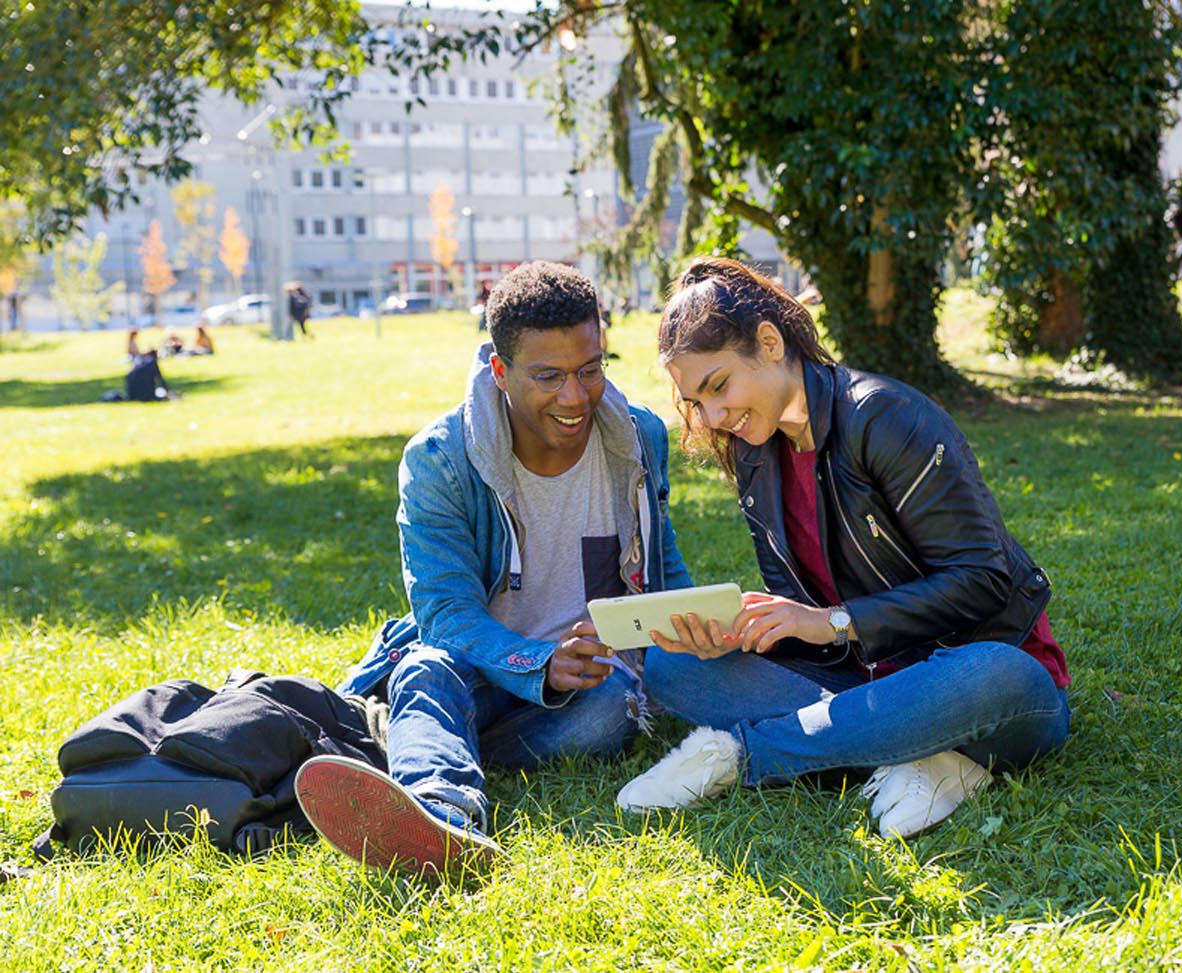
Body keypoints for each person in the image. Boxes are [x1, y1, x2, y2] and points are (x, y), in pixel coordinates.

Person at [615, 258, 1071, 839]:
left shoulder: (885, 416)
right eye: (697, 402)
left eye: (719, 386)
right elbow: (812, 624)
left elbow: (982, 579)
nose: (713, 416)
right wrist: (753, 634)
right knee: (674, 666)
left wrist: (831, 622)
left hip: (978, 679)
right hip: (870, 685)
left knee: (997, 674)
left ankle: (741, 757)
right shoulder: (757, 454)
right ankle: (916, 755)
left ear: (770, 342)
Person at [295, 261, 694, 876]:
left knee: (613, 710)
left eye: (591, 371)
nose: (575, 397)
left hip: (592, 687)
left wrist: (696, 622)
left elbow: (660, 562)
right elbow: (445, 614)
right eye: (549, 376)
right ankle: (444, 817)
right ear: (500, 372)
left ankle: (426, 744)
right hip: (477, 668)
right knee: (425, 670)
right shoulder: (440, 459)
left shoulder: (636, 437)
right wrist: (538, 662)